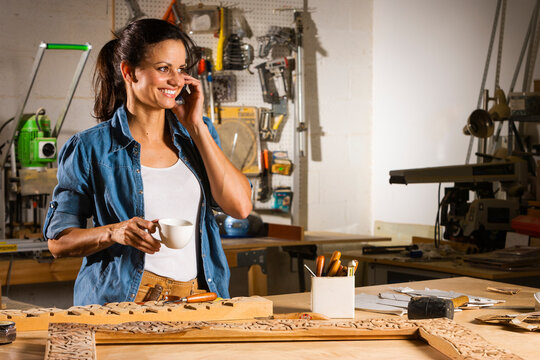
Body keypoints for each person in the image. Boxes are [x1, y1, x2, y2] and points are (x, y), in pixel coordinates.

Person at [43, 18, 252, 306]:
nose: (176, 81)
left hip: (197, 296)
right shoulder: (90, 147)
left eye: (181, 70)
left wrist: (196, 126)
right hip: (124, 300)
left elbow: (240, 206)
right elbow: (58, 242)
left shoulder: (197, 134)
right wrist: (114, 232)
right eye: (163, 69)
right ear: (129, 72)